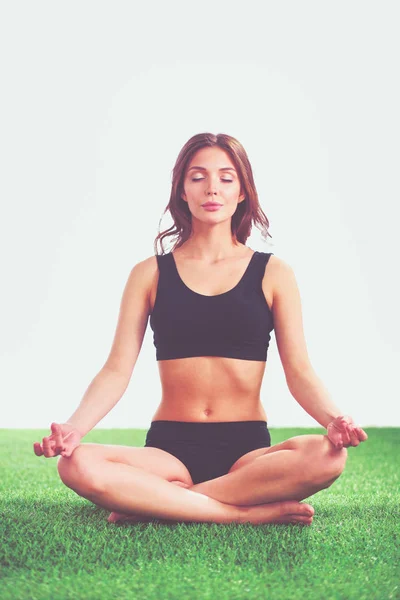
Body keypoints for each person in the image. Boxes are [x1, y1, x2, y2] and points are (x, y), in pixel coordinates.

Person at [33, 132, 368, 526]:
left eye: (226, 178)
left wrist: (333, 420)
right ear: (181, 191)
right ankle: (241, 516)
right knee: (77, 465)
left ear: (242, 191)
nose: (213, 188)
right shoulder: (149, 274)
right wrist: (75, 428)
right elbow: (116, 370)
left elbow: (300, 371)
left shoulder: (274, 273)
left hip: (246, 453)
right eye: (198, 177)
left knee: (329, 456)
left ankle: (159, 503)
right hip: (169, 450)